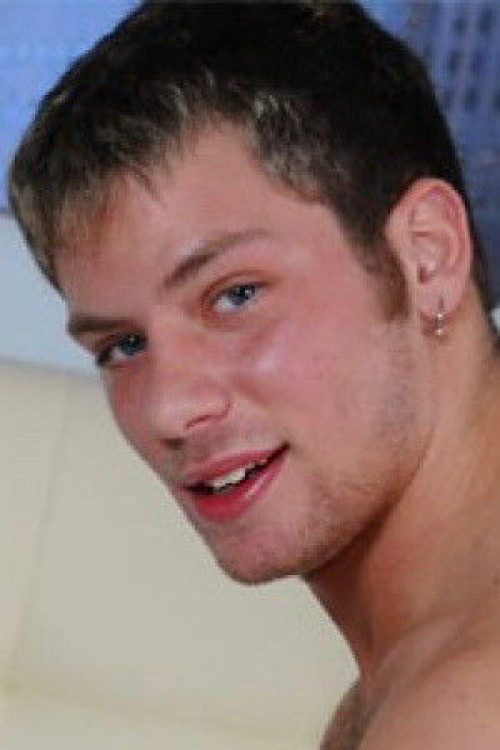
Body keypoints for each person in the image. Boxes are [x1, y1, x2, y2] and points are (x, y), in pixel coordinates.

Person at [8, 2, 500, 748]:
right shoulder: (423, 659)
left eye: (235, 296)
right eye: (123, 346)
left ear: (426, 257)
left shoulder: (464, 711)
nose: (169, 408)